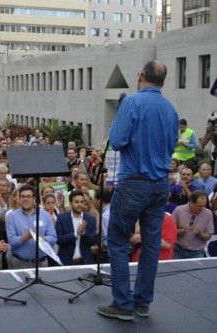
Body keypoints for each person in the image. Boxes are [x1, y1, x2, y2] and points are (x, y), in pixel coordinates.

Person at [97, 61, 179, 321]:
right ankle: (142, 302)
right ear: (163, 82)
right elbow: (172, 144)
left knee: (117, 240)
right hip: (161, 185)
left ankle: (123, 303)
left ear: (140, 76)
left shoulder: (131, 103)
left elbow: (118, 141)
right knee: (152, 244)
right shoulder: (171, 109)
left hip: (134, 183)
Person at [5, 184, 57, 269]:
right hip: (19, 264)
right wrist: (26, 237)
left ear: (34, 199)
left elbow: (53, 238)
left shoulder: (45, 216)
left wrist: (42, 239)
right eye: (23, 196)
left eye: (29, 196)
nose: (25, 199)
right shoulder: (11, 216)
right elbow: (12, 242)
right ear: (19, 199)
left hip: (41, 264)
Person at [55, 191, 97, 265]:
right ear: (71, 203)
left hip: (85, 262)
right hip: (66, 262)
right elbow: (58, 239)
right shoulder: (62, 218)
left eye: (81, 202)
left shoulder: (90, 219)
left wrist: (84, 233)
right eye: (76, 202)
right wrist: (75, 234)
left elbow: (93, 241)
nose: (79, 204)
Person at [172, 190, 214, 259]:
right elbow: (170, 232)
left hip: (197, 252)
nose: (202, 209)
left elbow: (208, 236)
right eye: (199, 206)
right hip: (178, 251)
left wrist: (200, 234)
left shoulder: (208, 213)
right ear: (191, 202)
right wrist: (182, 230)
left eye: (204, 206)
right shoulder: (178, 210)